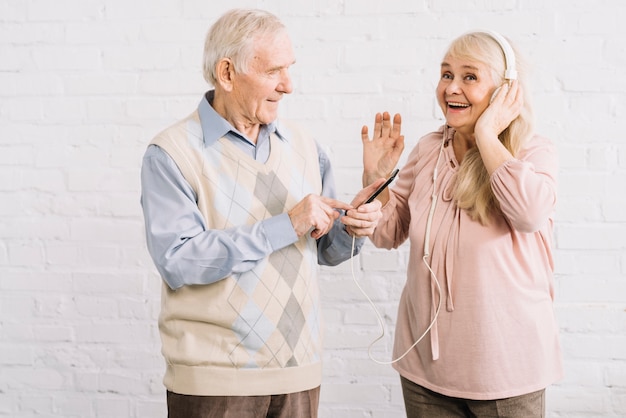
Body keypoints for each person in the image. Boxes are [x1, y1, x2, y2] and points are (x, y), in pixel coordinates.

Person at [140, 8, 385, 418]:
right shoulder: (171, 154)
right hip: (214, 383)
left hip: (299, 375)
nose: (288, 86)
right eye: (274, 71)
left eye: (289, 69)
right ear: (227, 73)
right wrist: (285, 225)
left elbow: (325, 250)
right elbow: (179, 261)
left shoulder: (306, 145)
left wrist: (354, 227)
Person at [359, 31, 563, 417]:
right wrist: (377, 179)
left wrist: (486, 133)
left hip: (506, 371)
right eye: (446, 73)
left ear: (506, 91)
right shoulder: (428, 150)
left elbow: (529, 214)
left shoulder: (534, 151)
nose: (451, 87)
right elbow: (388, 233)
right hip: (424, 369)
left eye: (470, 77)